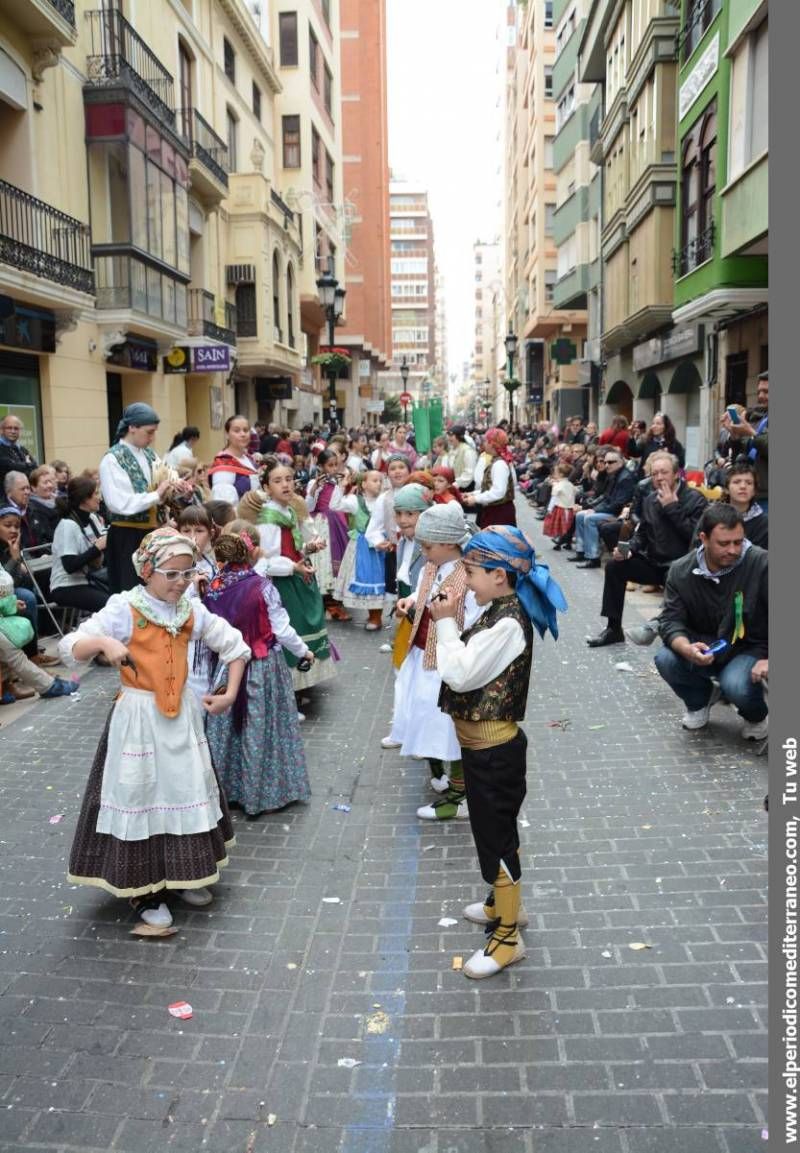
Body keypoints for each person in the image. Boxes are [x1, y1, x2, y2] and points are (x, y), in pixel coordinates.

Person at [60, 527, 250, 930]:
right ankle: (143, 890)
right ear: (147, 571)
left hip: (180, 718)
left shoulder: (189, 610)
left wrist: (230, 693)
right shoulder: (124, 608)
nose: (181, 583)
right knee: (141, 795)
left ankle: (183, 876)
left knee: (183, 791)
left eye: (187, 574)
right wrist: (103, 644)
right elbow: (71, 646)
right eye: (172, 574)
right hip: (138, 722)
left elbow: (234, 645)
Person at [431, 525, 566, 979]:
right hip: (483, 750)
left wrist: (446, 622)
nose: (466, 580)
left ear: (500, 577)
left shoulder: (508, 621)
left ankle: (508, 938)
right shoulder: (498, 610)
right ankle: (502, 903)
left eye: (472, 571)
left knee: (497, 839)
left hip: (495, 752)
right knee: (493, 833)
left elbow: (461, 674)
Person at [203, 526, 312, 816]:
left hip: (226, 667)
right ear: (250, 553)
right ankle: (260, 792)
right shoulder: (262, 587)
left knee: (227, 729)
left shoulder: (213, 587)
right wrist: (304, 651)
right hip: (261, 666)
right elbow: (281, 629)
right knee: (260, 726)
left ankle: (225, 788)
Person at [385, 502, 481, 816]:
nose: (423, 551)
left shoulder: (467, 578)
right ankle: (446, 777)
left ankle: (460, 797)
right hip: (423, 654)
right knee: (426, 718)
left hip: (446, 664)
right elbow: (424, 592)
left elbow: (472, 622)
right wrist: (410, 600)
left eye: (428, 545)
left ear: (449, 543)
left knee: (447, 728)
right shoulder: (433, 565)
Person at [654, 504, 768, 740]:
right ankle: (698, 702)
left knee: (735, 684)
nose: (734, 550)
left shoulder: (761, 563)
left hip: (750, 647)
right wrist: (686, 648)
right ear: (703, 538)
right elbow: (670, 620)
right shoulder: (680, 571)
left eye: (738, 542)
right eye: (724, 544)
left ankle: (756, 716)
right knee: (665, 658)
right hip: (704, 644)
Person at [586, 453, 707, 647]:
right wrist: (628, 549)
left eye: (664, 473)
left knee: (675, 572)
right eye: (655, 473)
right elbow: (642, 533)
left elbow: (696, 536)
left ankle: (673, 632)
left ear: (676, 474)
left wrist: (672, 507)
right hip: (654, 562)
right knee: (614, 567)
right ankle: (613, 629)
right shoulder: (650, 499)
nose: (659, 478)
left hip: (682, 565)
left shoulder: (695, 499)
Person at [256, 455, 338, 691]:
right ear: (266, 488)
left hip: (299, 577)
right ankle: (289, 686)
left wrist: (308, 548)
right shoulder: (268, 517)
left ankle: (302, 682)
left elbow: (292, 546)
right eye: (278, 480)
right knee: (291, 629)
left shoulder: (289, 511)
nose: (286, 485)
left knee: (305, 627)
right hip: (284, 584)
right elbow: (266, 561)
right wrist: (293, 566)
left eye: (289, 479)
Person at [99, 403, 182, 594]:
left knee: (155, 590)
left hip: (153, 534)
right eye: (149, 432)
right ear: (132, 428)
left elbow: (164, 480)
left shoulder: (149, 454)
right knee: (131, 593)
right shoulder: (112, 459)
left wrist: (175, 487)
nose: (152, 438)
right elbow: (118, 503)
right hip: (127, 537)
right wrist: (156, 494)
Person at [332, 469, 387, 630]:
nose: (378, 483)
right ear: (363, 484)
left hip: (380, 545)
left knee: (379, 579)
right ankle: (372, 616)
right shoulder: (355, 501)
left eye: (380, 481)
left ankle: (376, 616)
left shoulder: (384, 500)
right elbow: (334, 505)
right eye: (374, 480)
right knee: (364, 577)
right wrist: (341, 486)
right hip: (360, 545)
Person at [50, 475, 109, 614]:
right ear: (84, 498)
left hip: (89, 580)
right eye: (96, 493)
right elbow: (70, 566)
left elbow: (100, 555)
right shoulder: (67, 525)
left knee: (123, 597)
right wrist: (97, 548)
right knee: (111, 606)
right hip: (65, 586)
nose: (100, 498)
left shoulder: (93, 518)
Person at [567, 450, 636, 568]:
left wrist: (596, 510)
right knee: (580, 515)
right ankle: (581, 551)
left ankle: (593, 558)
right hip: (610, 510)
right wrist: (593, 508)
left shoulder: (626, 478)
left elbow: (619, 504)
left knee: (590, 518)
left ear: (620, 462)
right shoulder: (613, 474)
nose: (607, 465)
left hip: (620, 514)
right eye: (606, 462)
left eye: (610, 462)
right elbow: (605, 497)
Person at [388, 483, 430, 671]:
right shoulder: (403, 541)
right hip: (407, 613)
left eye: (410, 514)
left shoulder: (429, 546)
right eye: (399, 513)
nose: (403, 520)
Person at [306, 449, 351, 621]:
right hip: (320, 524)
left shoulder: (336, 484)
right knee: (323, 561)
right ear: (321, 466)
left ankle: (333, 602)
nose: (333, 469)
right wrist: (315, 489)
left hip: (335, 523)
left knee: (337, 559)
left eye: (335, 465)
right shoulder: (314, 484)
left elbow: (338, 504)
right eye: (329, 465)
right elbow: (309, 506)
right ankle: (326, 603)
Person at [720, 371, 768, 510]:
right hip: (749, 493)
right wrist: (735, 437)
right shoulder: (756, 417)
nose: (760, 396)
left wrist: (751, 432)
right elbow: (739, 455)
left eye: (766, 392)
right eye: (759, 391)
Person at [464, 428, 517, 528]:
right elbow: (490, 488)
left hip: (499, 513)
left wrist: (476, 499)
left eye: (485, 441)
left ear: (492, 444)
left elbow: (498, 492)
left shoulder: (499, 464)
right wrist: (472, 494)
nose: (483, 443)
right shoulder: (497, 461)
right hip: (495, 511)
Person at [208, 415, 261, 506]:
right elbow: (223, 505)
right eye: (237, 431)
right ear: (227, 434)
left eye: (246, 430)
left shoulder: (249, 459)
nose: (243, 434)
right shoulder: (224, 463)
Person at [724, 461, 768, 548]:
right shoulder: (711, 516)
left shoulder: (765, 524)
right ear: (726, 489)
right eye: (737, 482)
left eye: (749, 483)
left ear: (754, 491)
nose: (743, 486)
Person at [543, 462, 577, 547]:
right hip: (569, 508)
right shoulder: (570, 484)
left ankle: (559, 541)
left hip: (560, 508)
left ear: (561, 474)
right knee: (567, 525)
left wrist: (549, 509)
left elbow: (554, 498)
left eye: (555, 472)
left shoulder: (558, 486)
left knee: (560, 526)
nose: (554, 474)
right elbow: (575, 491)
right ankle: (567, 543)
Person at [26, 466, 61, 547]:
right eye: (45, 483)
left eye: (50, 481)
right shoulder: (33, 508)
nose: (49, 485)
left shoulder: (59, 501)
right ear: (34, 487)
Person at [0, 415, 37, 486]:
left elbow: (35, 467)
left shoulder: (22, 449)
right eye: (9, 428)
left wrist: (22, 466)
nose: (13, 431)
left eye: (16, 428)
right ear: (1, 430)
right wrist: (28, 464)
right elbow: (11, 467)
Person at [447, 426, 478, 494]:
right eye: (448, 435)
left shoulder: (467, 451)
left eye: (451, 436)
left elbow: (469, 473)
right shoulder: (451, 450)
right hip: (454, 485)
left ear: (459, 436)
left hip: (465, 488)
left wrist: (455, 485)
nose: (449, 438)